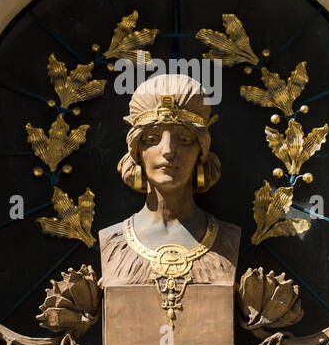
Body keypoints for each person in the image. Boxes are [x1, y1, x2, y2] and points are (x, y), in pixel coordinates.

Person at [98, 73, 241, 325]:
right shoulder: (112, 243)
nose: (168, 151)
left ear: (201, 152)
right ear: (137, 152)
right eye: (152, 139)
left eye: (184, 139)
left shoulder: (227, 240)